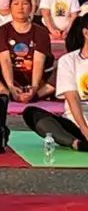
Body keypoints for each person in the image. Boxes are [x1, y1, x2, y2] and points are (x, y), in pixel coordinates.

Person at [24, 15, 88, 150]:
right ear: (86, 33)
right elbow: (73, 99)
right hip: (77, 124)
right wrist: (85, 129)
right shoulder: (69, 61)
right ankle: (76, 143)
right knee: (32, 113)